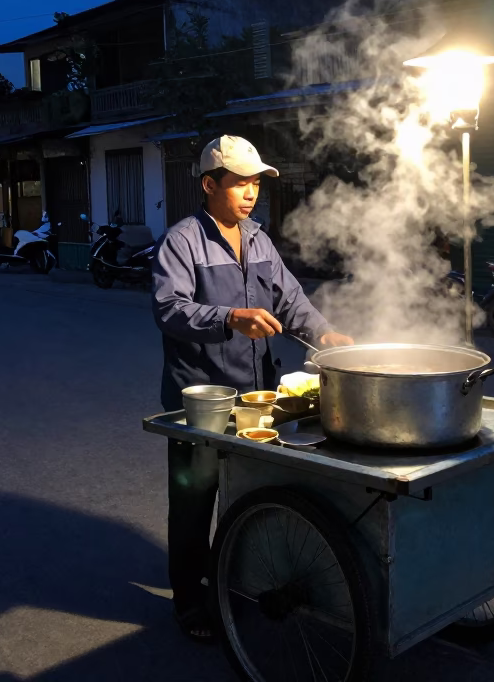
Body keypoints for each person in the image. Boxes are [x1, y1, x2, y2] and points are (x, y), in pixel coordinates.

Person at [151, 135, 353, 642]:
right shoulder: (183, 241)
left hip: (257, 397)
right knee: (195, 501)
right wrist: (229, 317)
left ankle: (236, 583)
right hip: (198, 399)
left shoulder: (259, 240)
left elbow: (290, 299)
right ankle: (190, 600)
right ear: (209, 184)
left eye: (256, 182)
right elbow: (168, 309)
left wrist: (323, 333)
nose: (250, 192)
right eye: (239, 181)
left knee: (251, 498)